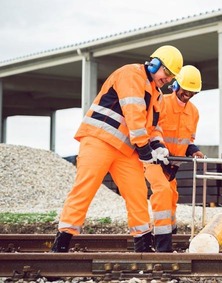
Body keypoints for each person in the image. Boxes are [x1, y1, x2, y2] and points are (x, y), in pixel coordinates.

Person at [51, 45, 183, 253]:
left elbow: (154, 127)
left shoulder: (156, 96)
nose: (167, 79)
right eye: (166, 73)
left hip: (125, 150)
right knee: (84, 190)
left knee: (138, 193)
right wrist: (145, 149)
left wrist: (158, 147)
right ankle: (61, 246)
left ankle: (143, 247)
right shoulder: (131, 74)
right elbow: (134, 113)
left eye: (171, 76)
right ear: (155, 64)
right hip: (99, 140)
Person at [144, 65, 204, 252]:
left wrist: (193, 150)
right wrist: (160, 148)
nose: (188, 95)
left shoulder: (194, 112)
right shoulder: (161, 102)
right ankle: (163, 247)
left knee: (171, 198)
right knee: (162, 193)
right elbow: (153, 130)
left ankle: (169, 233)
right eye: (186, 90)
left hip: (172, 166)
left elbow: (188, 140)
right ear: (176, 85)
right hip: (154, 159)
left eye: (192, 92)